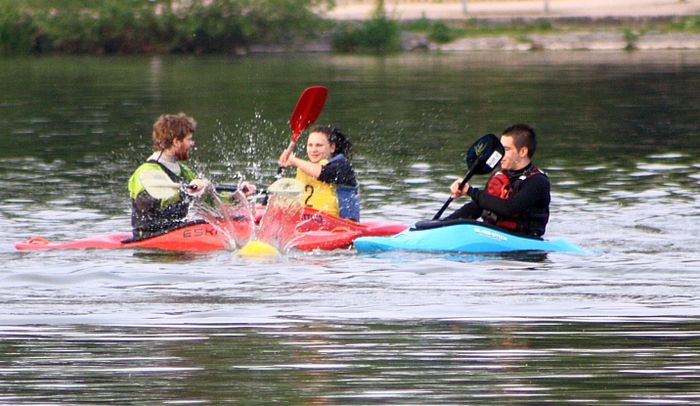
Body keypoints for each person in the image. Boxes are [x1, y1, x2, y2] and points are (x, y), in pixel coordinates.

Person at [128, 113, 255, 238]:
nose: (192, 144)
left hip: (176, 232)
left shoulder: (184, 171)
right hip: (150, 238)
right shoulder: (145, 172)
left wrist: (238, 194)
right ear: (176, 141)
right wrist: (186, 191)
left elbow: (211, 201)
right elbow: (146, 202)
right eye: (188, 139)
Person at [445, 123, 550, 237]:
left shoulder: (538, 182)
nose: (500, 155)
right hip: (495, 236)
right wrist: (442, 224)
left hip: (525, 245)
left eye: (506, 149)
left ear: (523, 152)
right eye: (500, 149)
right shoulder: (500, 176)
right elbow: (478, 207)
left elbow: (509, 208)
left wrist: (470, 191)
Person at [278, 125, 360, 221]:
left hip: (344, 226)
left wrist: (292, 159)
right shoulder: (305, 168)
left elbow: (323, 173)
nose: (313, 150)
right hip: (313, 222)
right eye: (310, 145)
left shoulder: (342, 166)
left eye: (319, 145)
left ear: (332, 147)